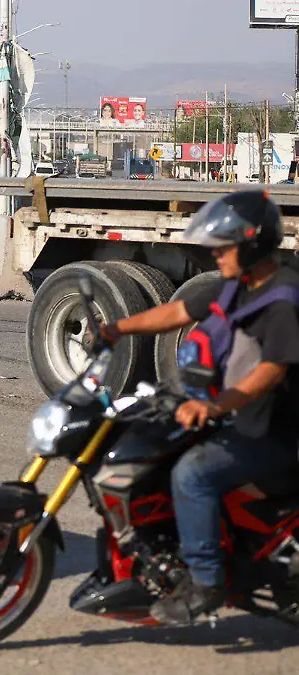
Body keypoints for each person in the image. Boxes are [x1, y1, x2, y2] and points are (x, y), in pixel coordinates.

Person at [95, 191, 299, 625]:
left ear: (253, 244)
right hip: (240, 417)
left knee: (193, 473)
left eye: (223, 247)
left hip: (275, 431)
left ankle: (206, 582)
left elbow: (271, 370)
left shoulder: (283, 300)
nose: (215, 254)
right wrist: (117, 328)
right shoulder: (236, 288)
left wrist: (215, 406)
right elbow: (176, 312)